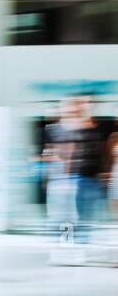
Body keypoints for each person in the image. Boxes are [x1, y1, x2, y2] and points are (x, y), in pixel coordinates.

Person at [47, 95, 112, 246]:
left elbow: (104, 153)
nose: (73, 109)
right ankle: (65, 245)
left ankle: (81, 244)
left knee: (85, 215)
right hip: (65, 180)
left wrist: (104, 173)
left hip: (89, 179)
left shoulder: (98, 128)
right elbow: (56, 154)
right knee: (65, 215)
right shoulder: (56, 129)